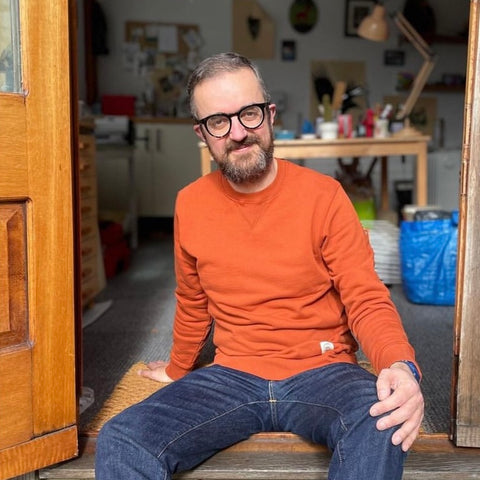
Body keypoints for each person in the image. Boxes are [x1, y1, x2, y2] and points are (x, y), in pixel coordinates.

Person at [96, 52, 424, 480]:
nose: (237, 133)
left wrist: (399, 364)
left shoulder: (325, 196)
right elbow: (192, 301)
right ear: (202, 133)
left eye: (248, 114)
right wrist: (177, 369)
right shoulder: (189, 203)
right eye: (218, 121)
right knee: (122, 439)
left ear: (269, 115)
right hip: (230, 377)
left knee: (384, 420)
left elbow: (365, 297)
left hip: (323, 373)